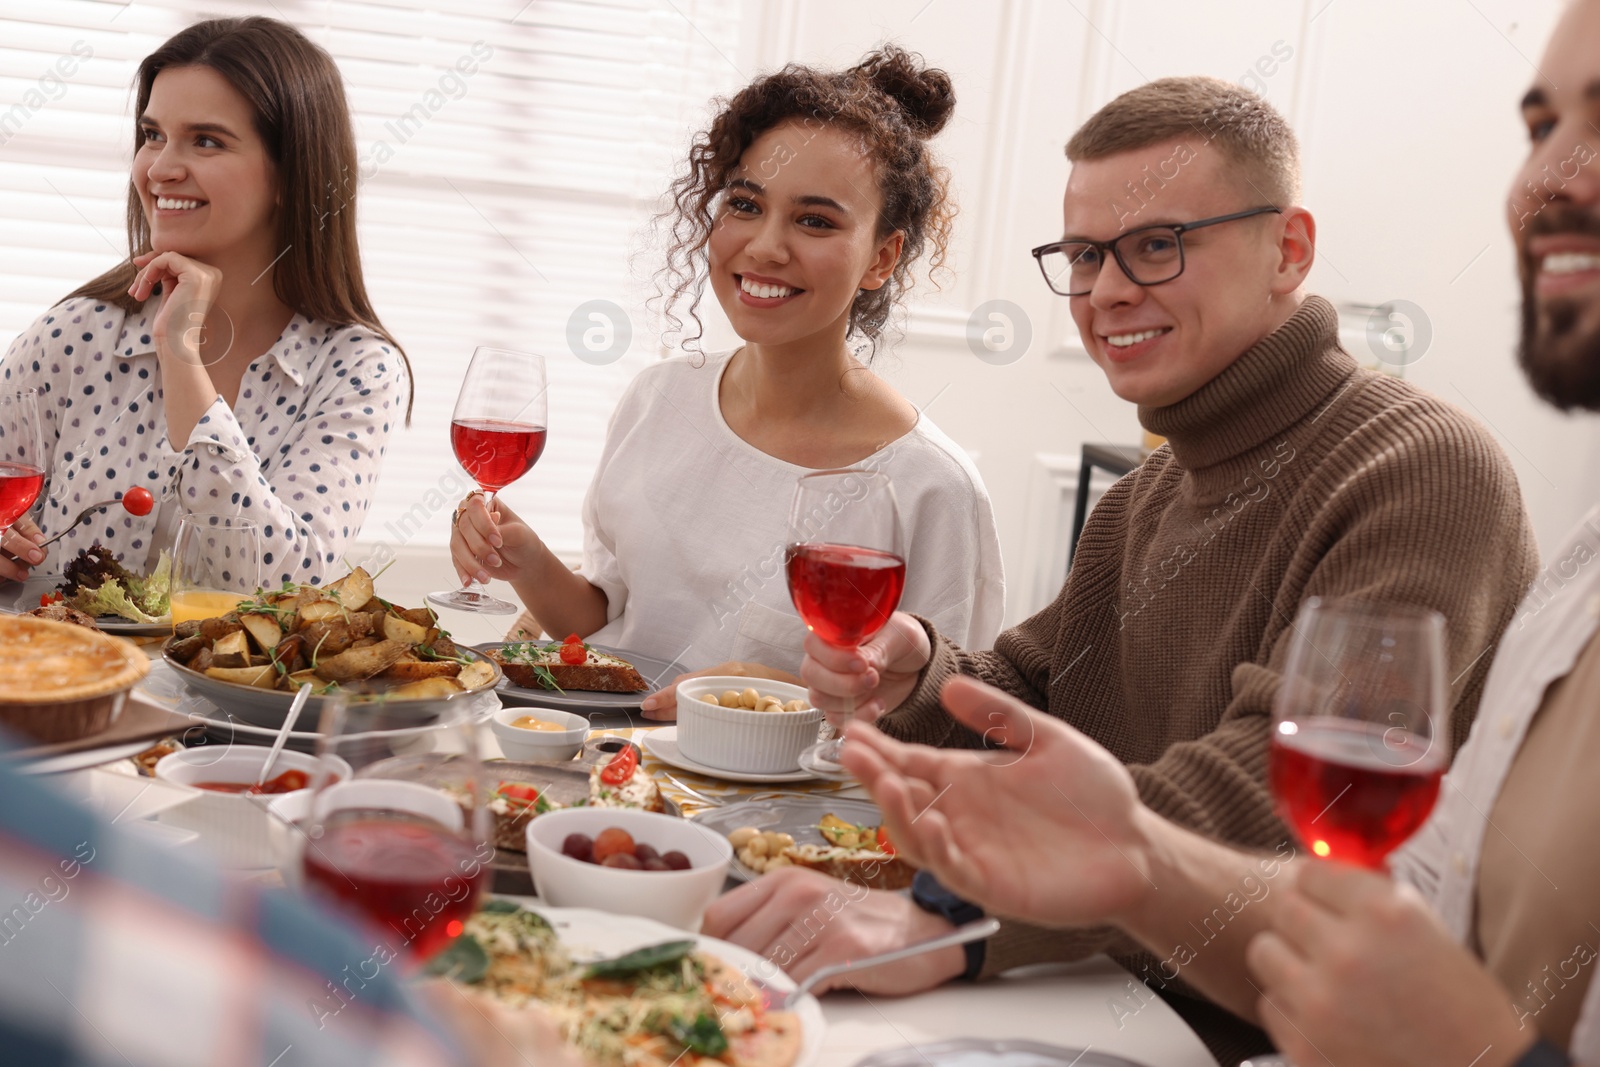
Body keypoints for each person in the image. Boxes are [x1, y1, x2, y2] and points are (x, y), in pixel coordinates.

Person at [705, 75, 1538, 1062]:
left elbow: (1272, 799)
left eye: (1156, 246)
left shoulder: (1421, 469)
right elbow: (1033, 696)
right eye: (1086, 255)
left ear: (1290, 249)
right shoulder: (1147, 492)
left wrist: (949, 920)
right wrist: (920, 670)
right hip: (1098, 987)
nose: (1104, 291)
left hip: (1259, 1032)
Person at [448, 48, 1005, 718]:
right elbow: (608, 626)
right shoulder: (656, 401)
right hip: (609, 773)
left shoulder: (933, 486)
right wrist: (529, 562)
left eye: (815, 220)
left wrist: (765, 695)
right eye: (746, 204)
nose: (766, 246)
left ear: (881, 258)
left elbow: (946, 725)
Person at [0, 17, 411, 588]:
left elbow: (285, 585)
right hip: (50, 672)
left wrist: (181, 358)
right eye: (152, 135)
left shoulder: (356, 371)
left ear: (291, 175)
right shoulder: (76, 334)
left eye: (207, 140)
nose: (161, 168)